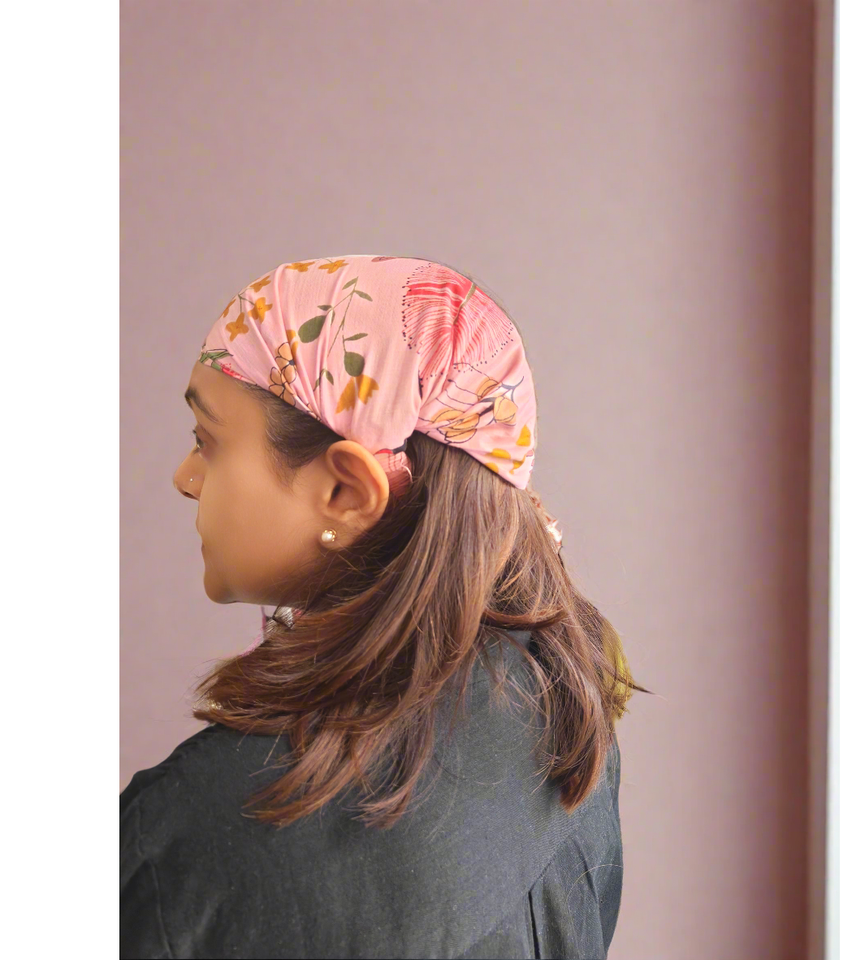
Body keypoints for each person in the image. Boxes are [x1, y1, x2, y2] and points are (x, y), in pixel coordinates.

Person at [120, 254, 651, 959]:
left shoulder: (197, 831)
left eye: (207, 442)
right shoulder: (566, 718)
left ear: (347, 491)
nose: (185, 478)